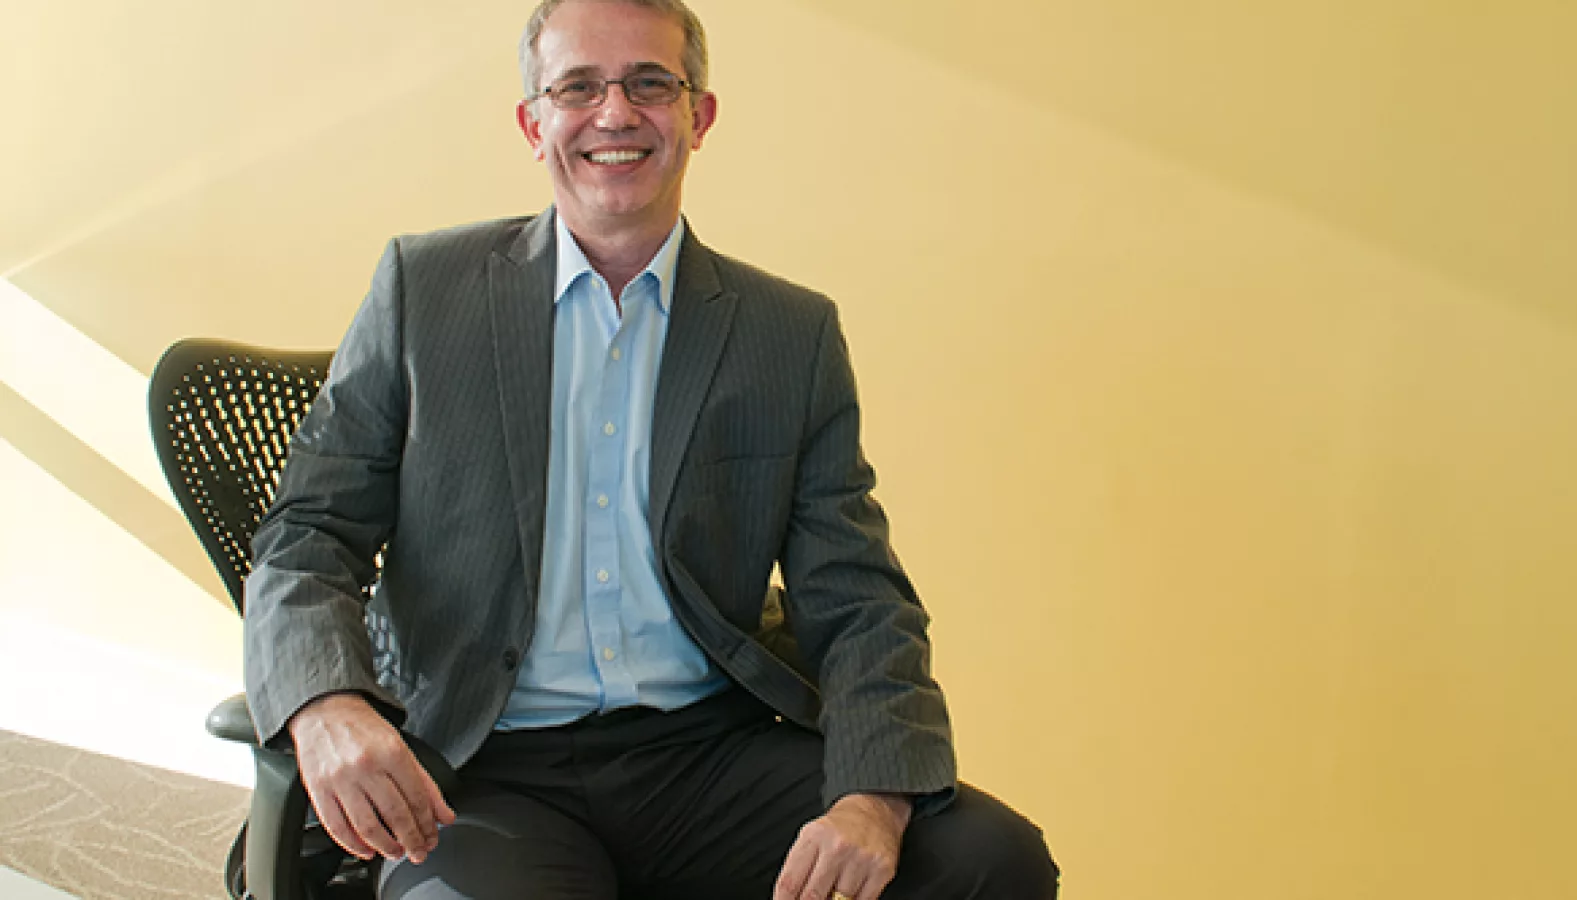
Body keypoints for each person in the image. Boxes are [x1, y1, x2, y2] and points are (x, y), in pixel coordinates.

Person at [243, 1, 1058, 897]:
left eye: (649, 84)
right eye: (577, 87)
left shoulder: (790, 336)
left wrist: (874, 797)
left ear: (698, 116)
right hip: (485, 762)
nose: (615, 113)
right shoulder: (423, 291)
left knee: (992, 863)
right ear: (534, 123)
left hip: (709, 756)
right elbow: (306, 532)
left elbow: (859, 598)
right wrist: (325, 704)